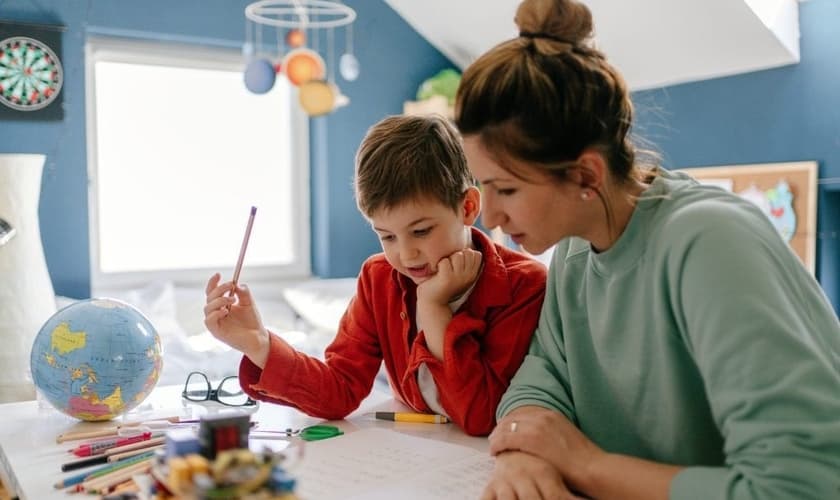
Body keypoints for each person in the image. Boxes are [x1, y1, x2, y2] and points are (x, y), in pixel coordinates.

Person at [454, 0, 840, 497]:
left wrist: (586, 465)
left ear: (586, 175)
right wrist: (521, 455)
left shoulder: (709, 244)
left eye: (505, 189)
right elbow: (542, 377)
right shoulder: (575, 251)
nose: (490, 217)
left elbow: (800, 487)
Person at [203, 114, 546, 436]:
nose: (406, 254)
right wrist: (258, 344)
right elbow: (340, 390)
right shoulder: (379, 277)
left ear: (468, 207)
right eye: (387, 236)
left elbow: (481, 417)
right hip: (412, 456)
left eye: (422, 231)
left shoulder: (524, 285)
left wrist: (434, 310)